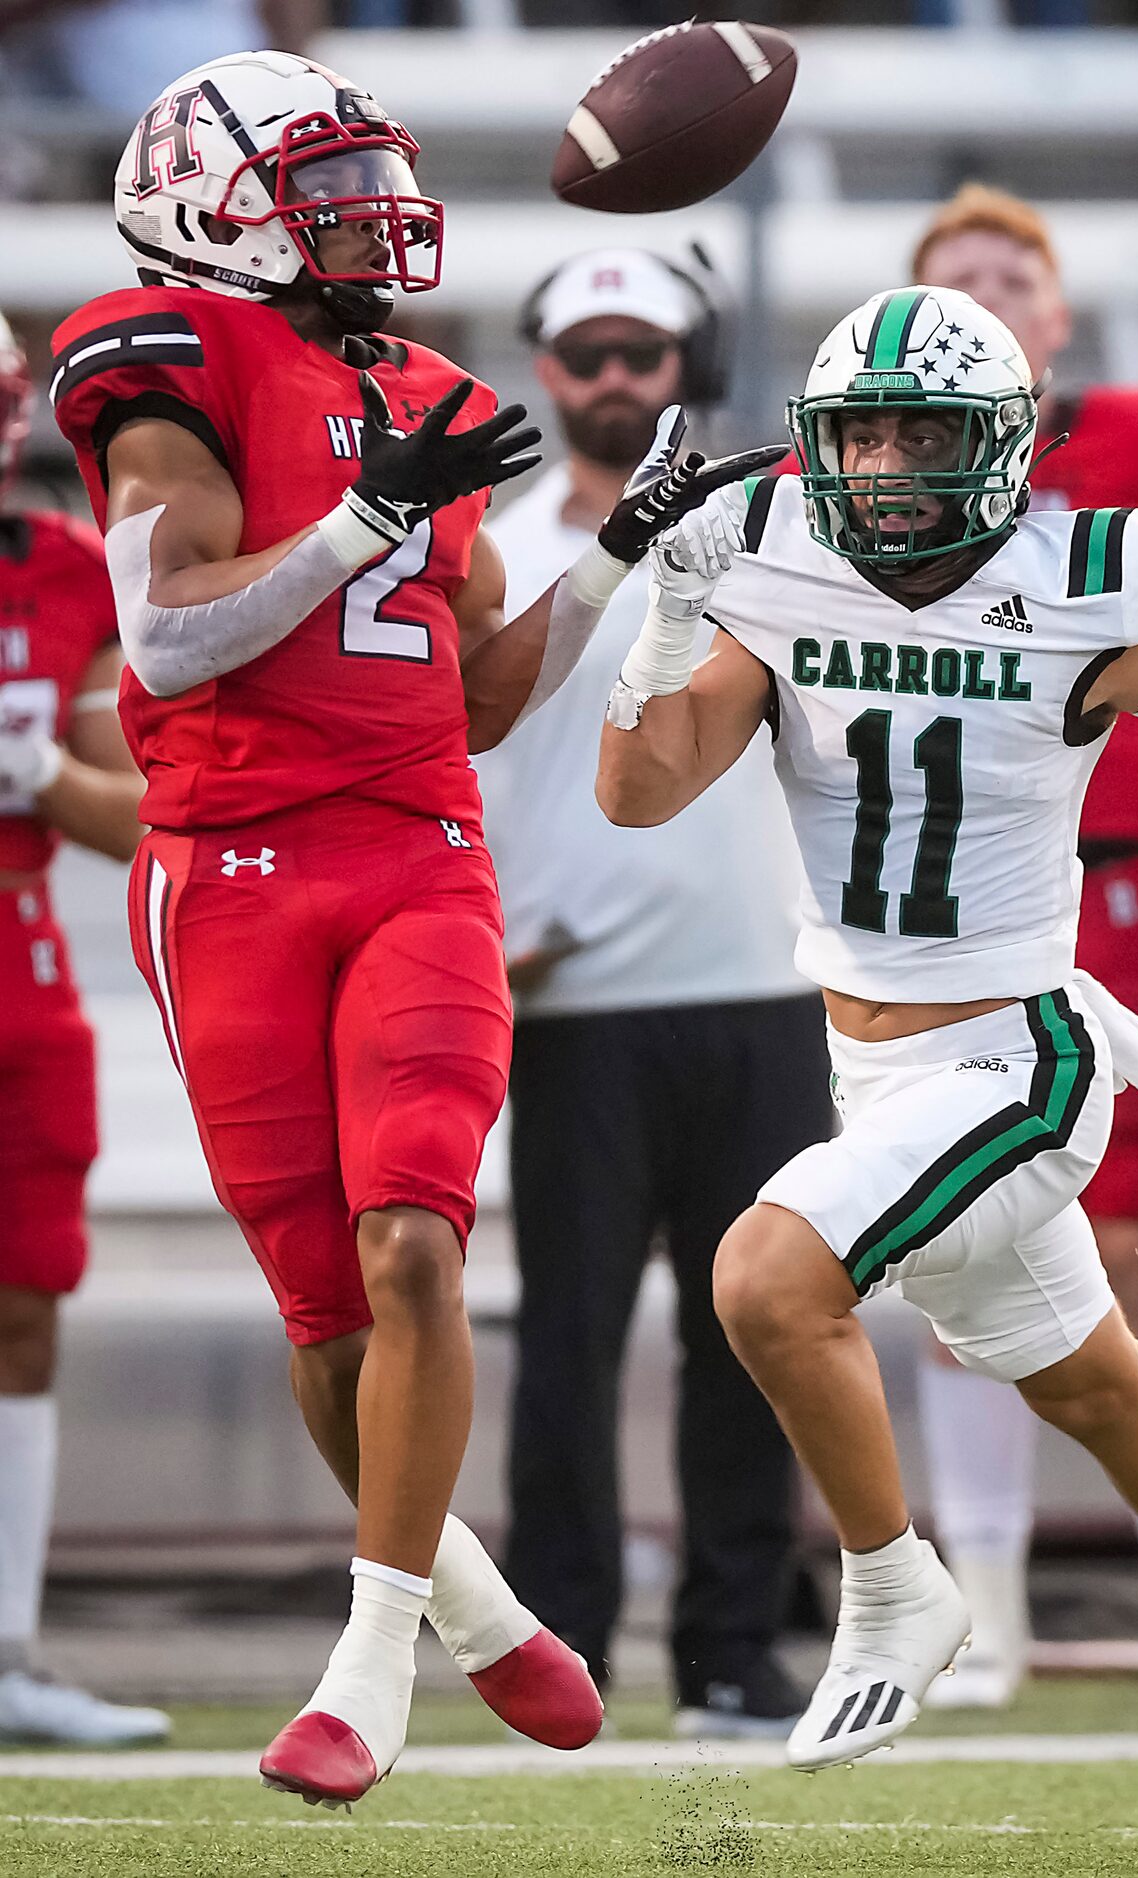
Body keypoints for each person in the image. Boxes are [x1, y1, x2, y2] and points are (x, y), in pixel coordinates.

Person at [51, 50, 775, 1806]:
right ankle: (462, 1592)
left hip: (419, 852)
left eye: (373, 172)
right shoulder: (166, 343)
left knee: (418, 1248)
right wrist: (364, 517)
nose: (371, 209)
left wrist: (610, 555)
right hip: (223, 862)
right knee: (326, 1313)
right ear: (208, 199)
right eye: (327, 177)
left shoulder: (434, 387)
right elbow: (166, 640)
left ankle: (370, 1662)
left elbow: (484, 698)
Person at [596, 284, 1138, 1828]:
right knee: (1093, 1380)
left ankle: (895, 1584)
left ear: (1001, 442)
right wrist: (666, 613)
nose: (889, 463)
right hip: (872, 1070)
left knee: (768, 1276)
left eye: (923, 431)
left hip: (1020, 1057)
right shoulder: (772, 564)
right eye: (861, 431)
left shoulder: (1087, 576)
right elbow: (639, 793)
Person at [904, 183, 1138, 1707]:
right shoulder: (879, 464)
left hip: (1114, 885)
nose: (989, 298)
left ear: (1057, 315)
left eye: (1012, 275)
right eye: (958, 280)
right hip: (945, 907)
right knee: (951, 1247)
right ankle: (982, 1612)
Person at [478, 248, 829, 1735]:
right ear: (548, 368)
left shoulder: (779, 535)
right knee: (564, 1340)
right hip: (564, 1007)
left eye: (644, 349)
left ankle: (733, 1647)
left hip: (758, 984)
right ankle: (562, 1646)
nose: (617, 377)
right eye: (589, 352)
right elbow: (463, 752)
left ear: (691, 356)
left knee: (753, 1332)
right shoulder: (491, 548)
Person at [0, 313, 166, 1746]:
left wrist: (42, 767)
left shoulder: (63, 572)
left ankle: (5, 1652)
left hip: (21, 961)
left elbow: (143, 817)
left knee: (25, 1302)